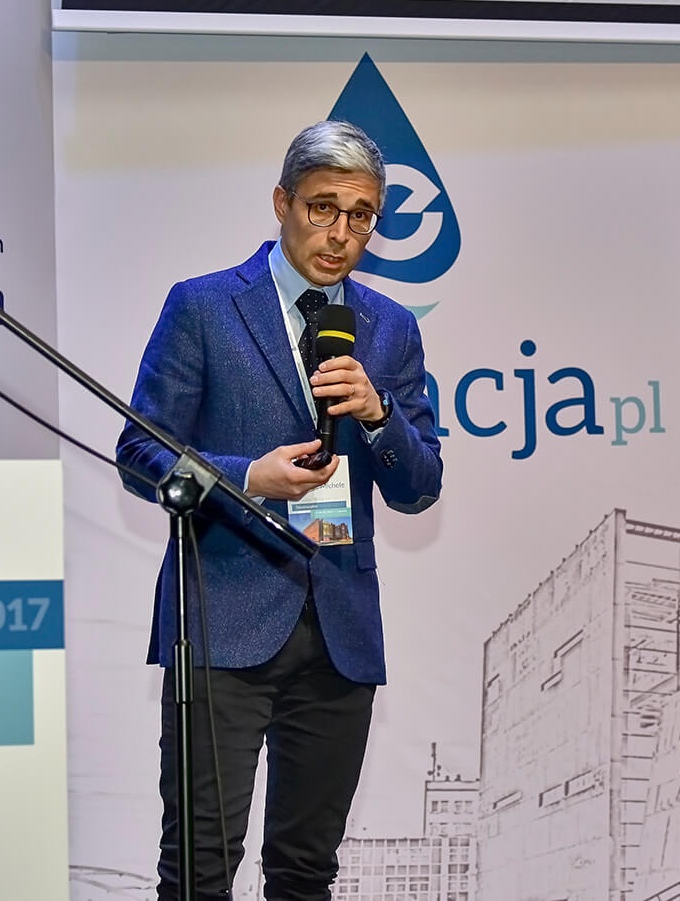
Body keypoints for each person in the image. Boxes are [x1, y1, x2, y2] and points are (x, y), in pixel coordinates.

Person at [116, 120, 443, 900]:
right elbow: (139, 452)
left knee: (305, 876)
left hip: (338, 637)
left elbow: (419, 486)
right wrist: (248, 478)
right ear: (282, 203)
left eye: (360, 215)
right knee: (198, 873)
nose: (340, 233)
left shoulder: (391, 328)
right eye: (322, 208)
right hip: (223, 625)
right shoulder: (203, 306)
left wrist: (378, 415)